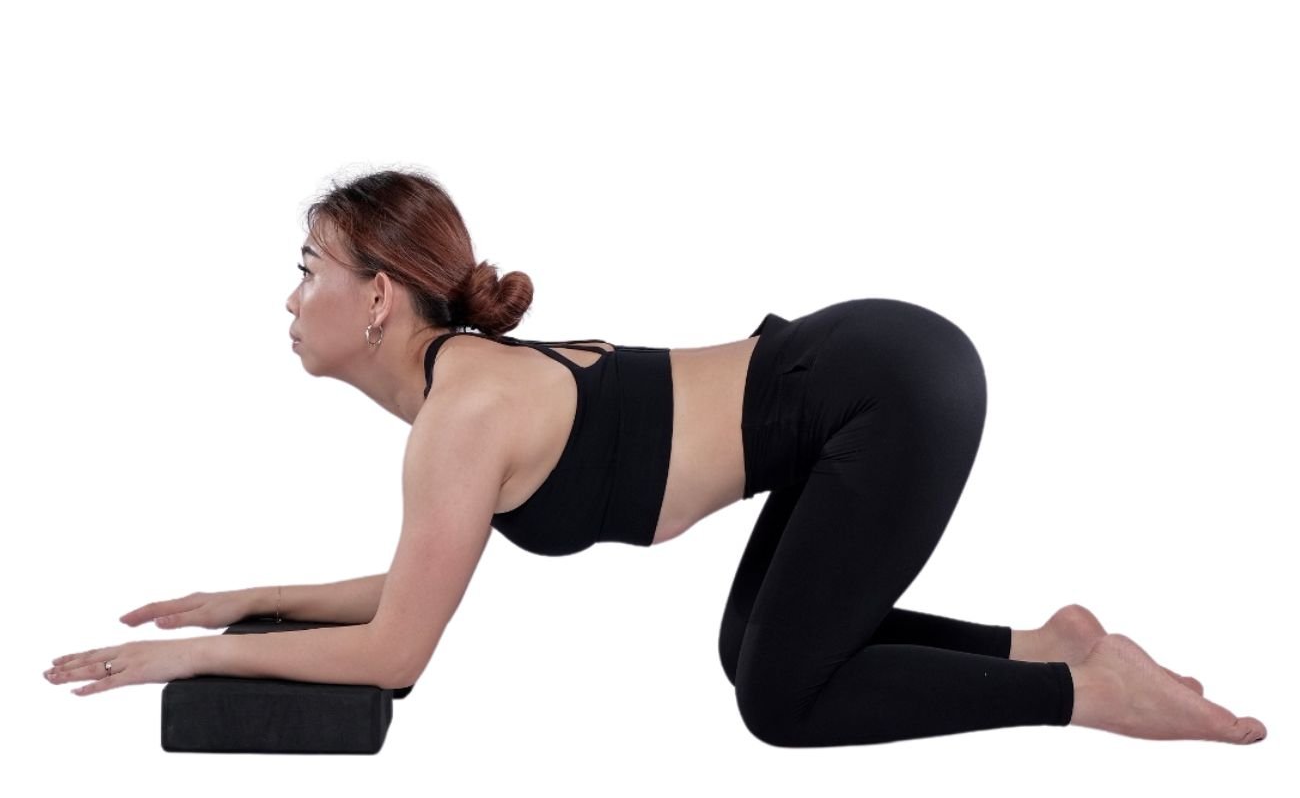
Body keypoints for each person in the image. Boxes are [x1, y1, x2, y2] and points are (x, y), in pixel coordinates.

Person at [48, 168, 1266, 746]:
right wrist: (249, 599)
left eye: (307, 267)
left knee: (780, 698)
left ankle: (1082, 694)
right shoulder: (456, 396)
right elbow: (413, 582)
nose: (289, 295)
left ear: (377, 300)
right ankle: (1049, 644)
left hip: (881, 394)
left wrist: (181, 659)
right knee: (755, 649)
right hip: (867, 372)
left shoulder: (461, 412)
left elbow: (400, 647)